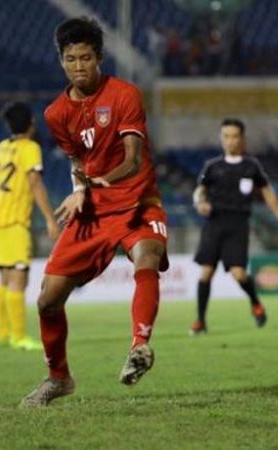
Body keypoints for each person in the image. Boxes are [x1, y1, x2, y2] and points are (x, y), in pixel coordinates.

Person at [20, 17, 169, 407]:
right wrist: (81, 189)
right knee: (47, 301)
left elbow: (134, 160)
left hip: (137, 200)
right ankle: (58, 378)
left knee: (147, 257)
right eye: (71, 59)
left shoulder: (125, 95)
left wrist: (95, 184)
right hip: (94, 212)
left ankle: (139, 346)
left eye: (86, 57)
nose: (79, 66)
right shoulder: (56, 114)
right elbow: (78, 161)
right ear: (62, 62)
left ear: (100, 58)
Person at [190, 119, 278, 336]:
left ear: (242, 139)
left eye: (234, 136)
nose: (230, 140)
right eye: (226, 136)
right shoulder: (212, 167)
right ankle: (200, 321)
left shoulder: (251, 167)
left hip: (238, 223)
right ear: (221, 139)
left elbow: (268, 194)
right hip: (214, 222)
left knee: (239, 274)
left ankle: (255, 303)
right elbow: (200, 191)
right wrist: (200, 203)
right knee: (206, 272)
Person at [0, 102, 60, 351]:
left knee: (5, 279)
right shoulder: (30, 148)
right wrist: (50, 218)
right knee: (19, 279)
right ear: (31, 123)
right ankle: (18, 337)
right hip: (13, 221)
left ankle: (2, 333)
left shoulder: (0, 148)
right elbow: (35, 181)